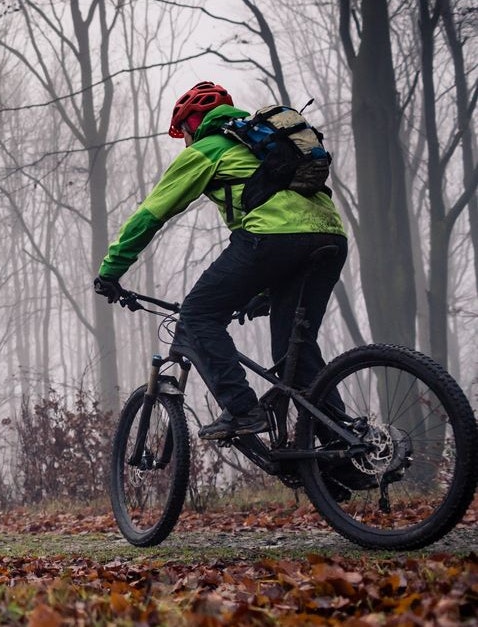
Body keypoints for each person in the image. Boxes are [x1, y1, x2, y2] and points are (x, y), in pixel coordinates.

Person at [93, 81, 347, 440]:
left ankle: (243, 411)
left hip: (273, 238)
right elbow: (291, 217)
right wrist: (264, 289)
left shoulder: (209, 148)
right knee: (295, 350)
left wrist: (111, 269)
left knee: (197, 317)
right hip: (331, 236)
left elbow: (151, 214)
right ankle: (345, 455)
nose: (184, 140)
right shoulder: (263, 148)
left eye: (182, 131)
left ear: (192, 122)